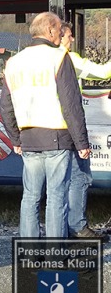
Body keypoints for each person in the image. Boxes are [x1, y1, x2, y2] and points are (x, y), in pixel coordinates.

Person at [0, 12, 91, 239]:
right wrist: (82, 143)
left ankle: (29, 249)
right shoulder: (58, 57)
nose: (62, 33)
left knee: (30, 197)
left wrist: (15, 139)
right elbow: (71, 104)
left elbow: (5, 106)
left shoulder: (14, 62)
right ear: (50, 30)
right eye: (59, 29)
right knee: (56, 197)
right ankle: (55, 251)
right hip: (56, 138)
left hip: (28, 138)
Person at [60, 23, 110, 239]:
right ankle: (77, 227)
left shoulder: (38, 60)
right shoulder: (69, 59)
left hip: (48, 130)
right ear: (58, 35)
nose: (72, 40)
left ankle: (60, 230)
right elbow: (103, 72)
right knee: (80, 176)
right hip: (70, 128)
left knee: (57, 183)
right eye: (69, 36)